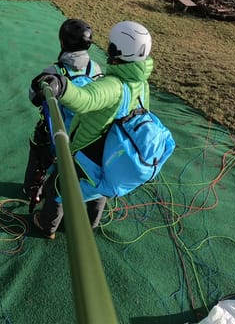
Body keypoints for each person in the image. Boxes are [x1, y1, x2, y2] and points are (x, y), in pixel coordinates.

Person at [29, 20, 154, 239]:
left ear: (116, 49)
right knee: (99, 189)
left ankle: (47, 225)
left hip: (90, 150)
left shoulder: (114, 85)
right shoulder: (141, 83)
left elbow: (85, 100)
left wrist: (61, 85)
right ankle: (89, 224)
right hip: (115, 153)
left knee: (59, 187)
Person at [23, 18, 103, 213]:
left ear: (63, 42)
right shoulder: (96, 69)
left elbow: (34, 98)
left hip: (54, 136)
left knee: (39, 161)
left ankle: (32, 191)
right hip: (85, 137)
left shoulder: (55, 71)